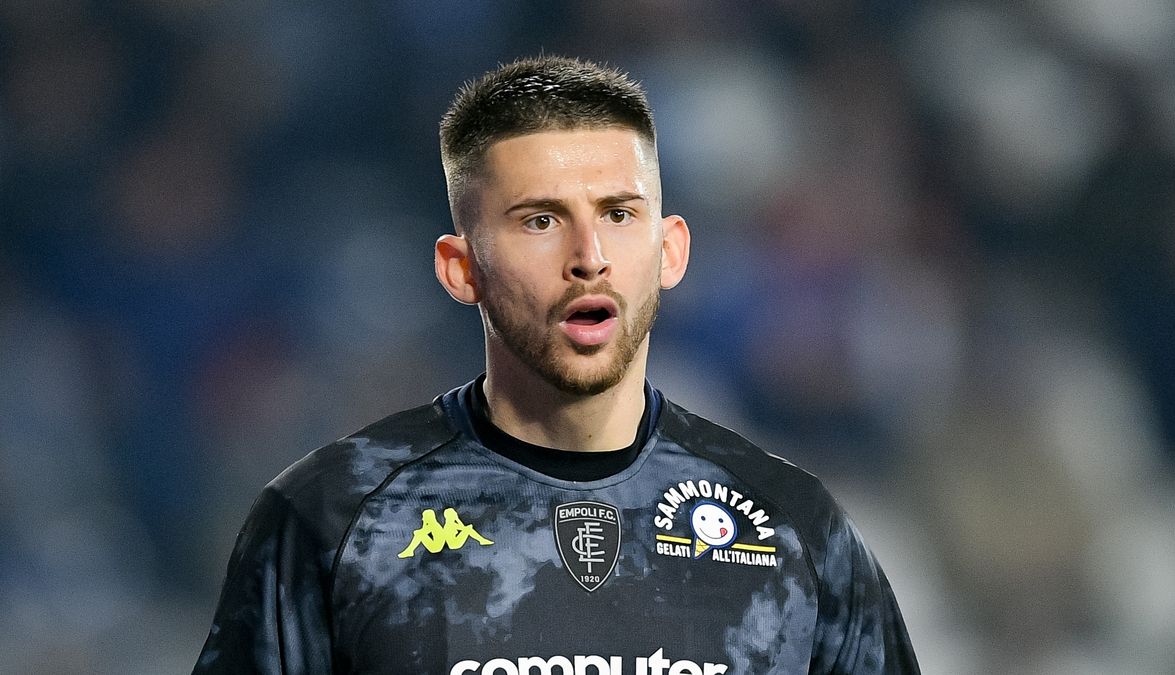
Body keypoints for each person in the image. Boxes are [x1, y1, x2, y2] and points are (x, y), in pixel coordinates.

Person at [192, 55, 920, 675]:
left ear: (670, 251)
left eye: (618, 214)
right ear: (461, 268)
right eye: (540, 220)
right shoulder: (331, 519)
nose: (588, 257)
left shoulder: (793, 527)